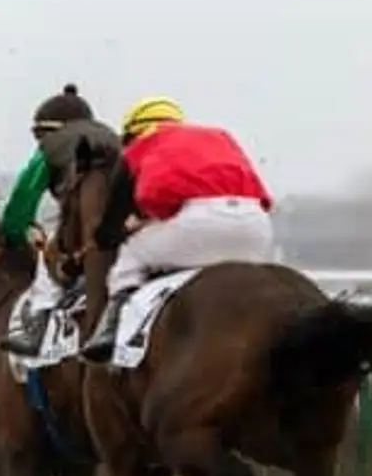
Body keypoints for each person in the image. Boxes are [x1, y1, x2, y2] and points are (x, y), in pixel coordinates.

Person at [80, 96, 275, 362]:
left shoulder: (140, 146)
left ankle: (110, 330)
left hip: (200, 225)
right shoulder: (219, 137)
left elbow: (114, 221)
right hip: (256, 226)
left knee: (130, 254)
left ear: (133, 133)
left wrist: (108, 237)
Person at [0, 85, 121, 355]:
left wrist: (12, 234)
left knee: (47, 256)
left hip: (84, 225)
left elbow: (24, 197)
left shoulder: (53, 146)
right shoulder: (114, 139)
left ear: (49, 130)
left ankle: (38, 328)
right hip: (128, 224)